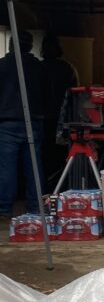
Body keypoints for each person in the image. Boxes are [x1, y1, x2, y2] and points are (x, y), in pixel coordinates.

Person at [0, 31, 46, 219]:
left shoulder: (1, 66)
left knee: (6, 169)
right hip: (33, 121)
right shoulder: (38, 67)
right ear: (29, 46)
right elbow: (47, 94)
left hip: (6, 122)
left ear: (11, 46)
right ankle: (36, 206)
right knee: (34, 168)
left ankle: (4, 209)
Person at [39, 33, 79, 184]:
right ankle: (61, 183)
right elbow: (75, 91)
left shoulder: (40, 67)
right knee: (61, 153)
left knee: (45, 153)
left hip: (43, 117)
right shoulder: (67, 68)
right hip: (63, 118)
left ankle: (47, 184)